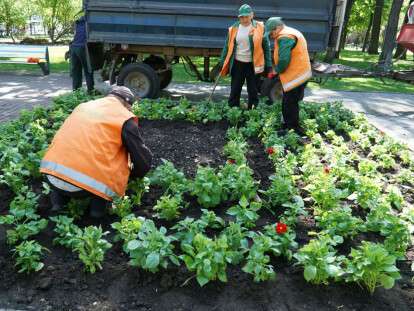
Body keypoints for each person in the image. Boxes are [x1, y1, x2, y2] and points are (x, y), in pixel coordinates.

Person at [40, 86, 153, 218]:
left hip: (52, 174)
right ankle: (96, 213)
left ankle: (58, 203)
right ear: (127, 104)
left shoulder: (83, 107)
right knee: (114, 160)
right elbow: (141, 159)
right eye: (130, 107)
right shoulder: (124, 118)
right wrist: (135, 175)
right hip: (88, 185)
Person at [265, 17, 312, 135]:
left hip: (296, 75)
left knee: (289, 102)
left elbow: (284, 59)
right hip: (301, 73)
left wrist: (277, 70)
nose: (271, 36)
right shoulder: (291, 31)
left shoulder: (284, 37)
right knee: (292, 102)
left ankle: (291, 129)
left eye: (271, 33)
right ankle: (291, 126)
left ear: (277, 28)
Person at [219, 4, 272, 109]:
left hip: (253, 64)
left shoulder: (260, 27)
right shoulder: (234, 28)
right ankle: (233, 110)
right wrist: (222, 62)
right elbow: (227, 46)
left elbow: (266, 47)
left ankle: (253, 111)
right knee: (235, 89)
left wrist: (268, 64)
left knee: (253, 90)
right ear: (239, 17)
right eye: (242, 17)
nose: (244, 19)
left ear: (252, 15)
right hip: (238, 63)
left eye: (246, 16)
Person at [70, 16, 95, 93]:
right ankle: (90, 91)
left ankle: (76, 91)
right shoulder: (89, 22)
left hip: (73, 48)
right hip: (82, 47)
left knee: (76, 71)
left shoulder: (78, 23)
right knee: (88, 70)